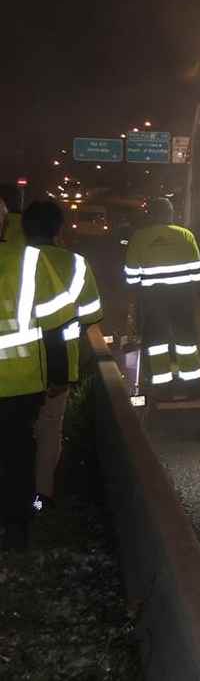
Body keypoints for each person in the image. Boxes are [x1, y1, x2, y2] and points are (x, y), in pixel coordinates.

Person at [0, 187, 76, 549]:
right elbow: (56, 323)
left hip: (21, 384)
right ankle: (17, 530)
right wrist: (59, 377)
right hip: (20, 384)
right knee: (17, 453)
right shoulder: (30, 261)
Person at [22, 201, 102, 512]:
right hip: (58, 366)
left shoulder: (13, 261)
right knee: (49, 430)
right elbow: (92, 313)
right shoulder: (75, 263)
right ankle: (41, 500)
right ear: (59, 228)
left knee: (16, 432)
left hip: (11, 367)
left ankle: (16, 500)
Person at [125, 197, 200, 395]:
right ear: (170, 214)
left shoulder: (139, 237)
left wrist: (138, 295)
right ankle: (192, 385)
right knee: (186, 341)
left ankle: (161, 387)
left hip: (152, 298)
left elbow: (131, 275)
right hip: (183, 297)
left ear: (151, 215)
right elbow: (198, 271)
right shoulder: (185, 235)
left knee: (156, 342)